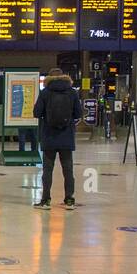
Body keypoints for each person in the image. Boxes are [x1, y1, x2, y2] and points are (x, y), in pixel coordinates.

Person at [32, 70, 83, 210]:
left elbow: (36, 113)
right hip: (66, 136)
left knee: (47, 170)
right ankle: (69, 200)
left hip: (49, 136)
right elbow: (78, 113)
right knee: (68, 170)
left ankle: (46, 200)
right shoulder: (72, 92)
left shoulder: (45, 92)